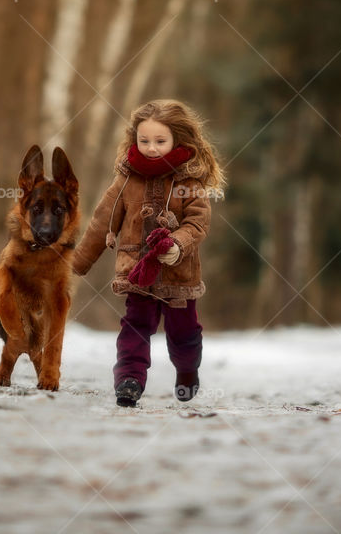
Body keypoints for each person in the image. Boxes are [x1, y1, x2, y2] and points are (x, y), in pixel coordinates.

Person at [71, 99, 226, 407]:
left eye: (160, 141)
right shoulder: (126, 179)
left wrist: (178, 244)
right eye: (144, 141)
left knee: (184, 333)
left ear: (177, 140)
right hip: (136, 270)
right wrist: (77, 262)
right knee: (135, 326)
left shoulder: (188, 180)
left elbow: (198, 223)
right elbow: (103, 221)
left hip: (178, 273)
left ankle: (186, 370)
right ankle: (129, 381)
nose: (151, 148)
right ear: (134, 139)